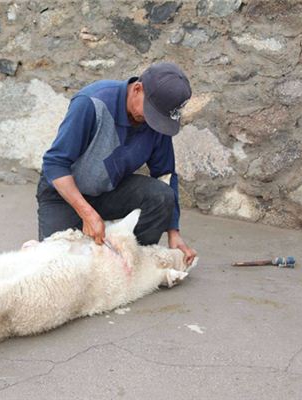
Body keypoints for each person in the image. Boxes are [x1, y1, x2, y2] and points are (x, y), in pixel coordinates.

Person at [37, 62, 197, 265]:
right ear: (137, 88)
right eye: (151, 113)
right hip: (64, 196)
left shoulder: (155, 122)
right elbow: (54, 163)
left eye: (159, 118)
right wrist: (87, 213)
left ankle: (130, 260)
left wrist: (174, 233)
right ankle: (98, 230)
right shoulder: (92, 102)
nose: (152, 122)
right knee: (58, 263)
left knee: (161, 196)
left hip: (109, 190)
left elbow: (165, 174)